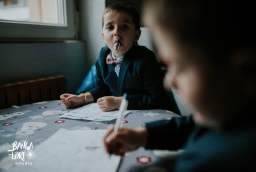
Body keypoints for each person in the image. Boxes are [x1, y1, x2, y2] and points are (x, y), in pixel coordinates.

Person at [103, 0, 256, 171]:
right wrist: (143, 135)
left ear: (245, 72)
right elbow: (194, 126)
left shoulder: (211, 163)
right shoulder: (228, 113)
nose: (169, 82)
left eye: (180, 66)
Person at [60, 2, 180, 114]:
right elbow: (103, 89)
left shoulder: (145, 58)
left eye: (124, 27)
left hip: (147, 114)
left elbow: (156, 99)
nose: (116, 32)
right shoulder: (103, 56)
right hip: (118, 117)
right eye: (110, 27)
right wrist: (83, 98)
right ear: (103, 36)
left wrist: (121, 102)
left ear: (136, 35)